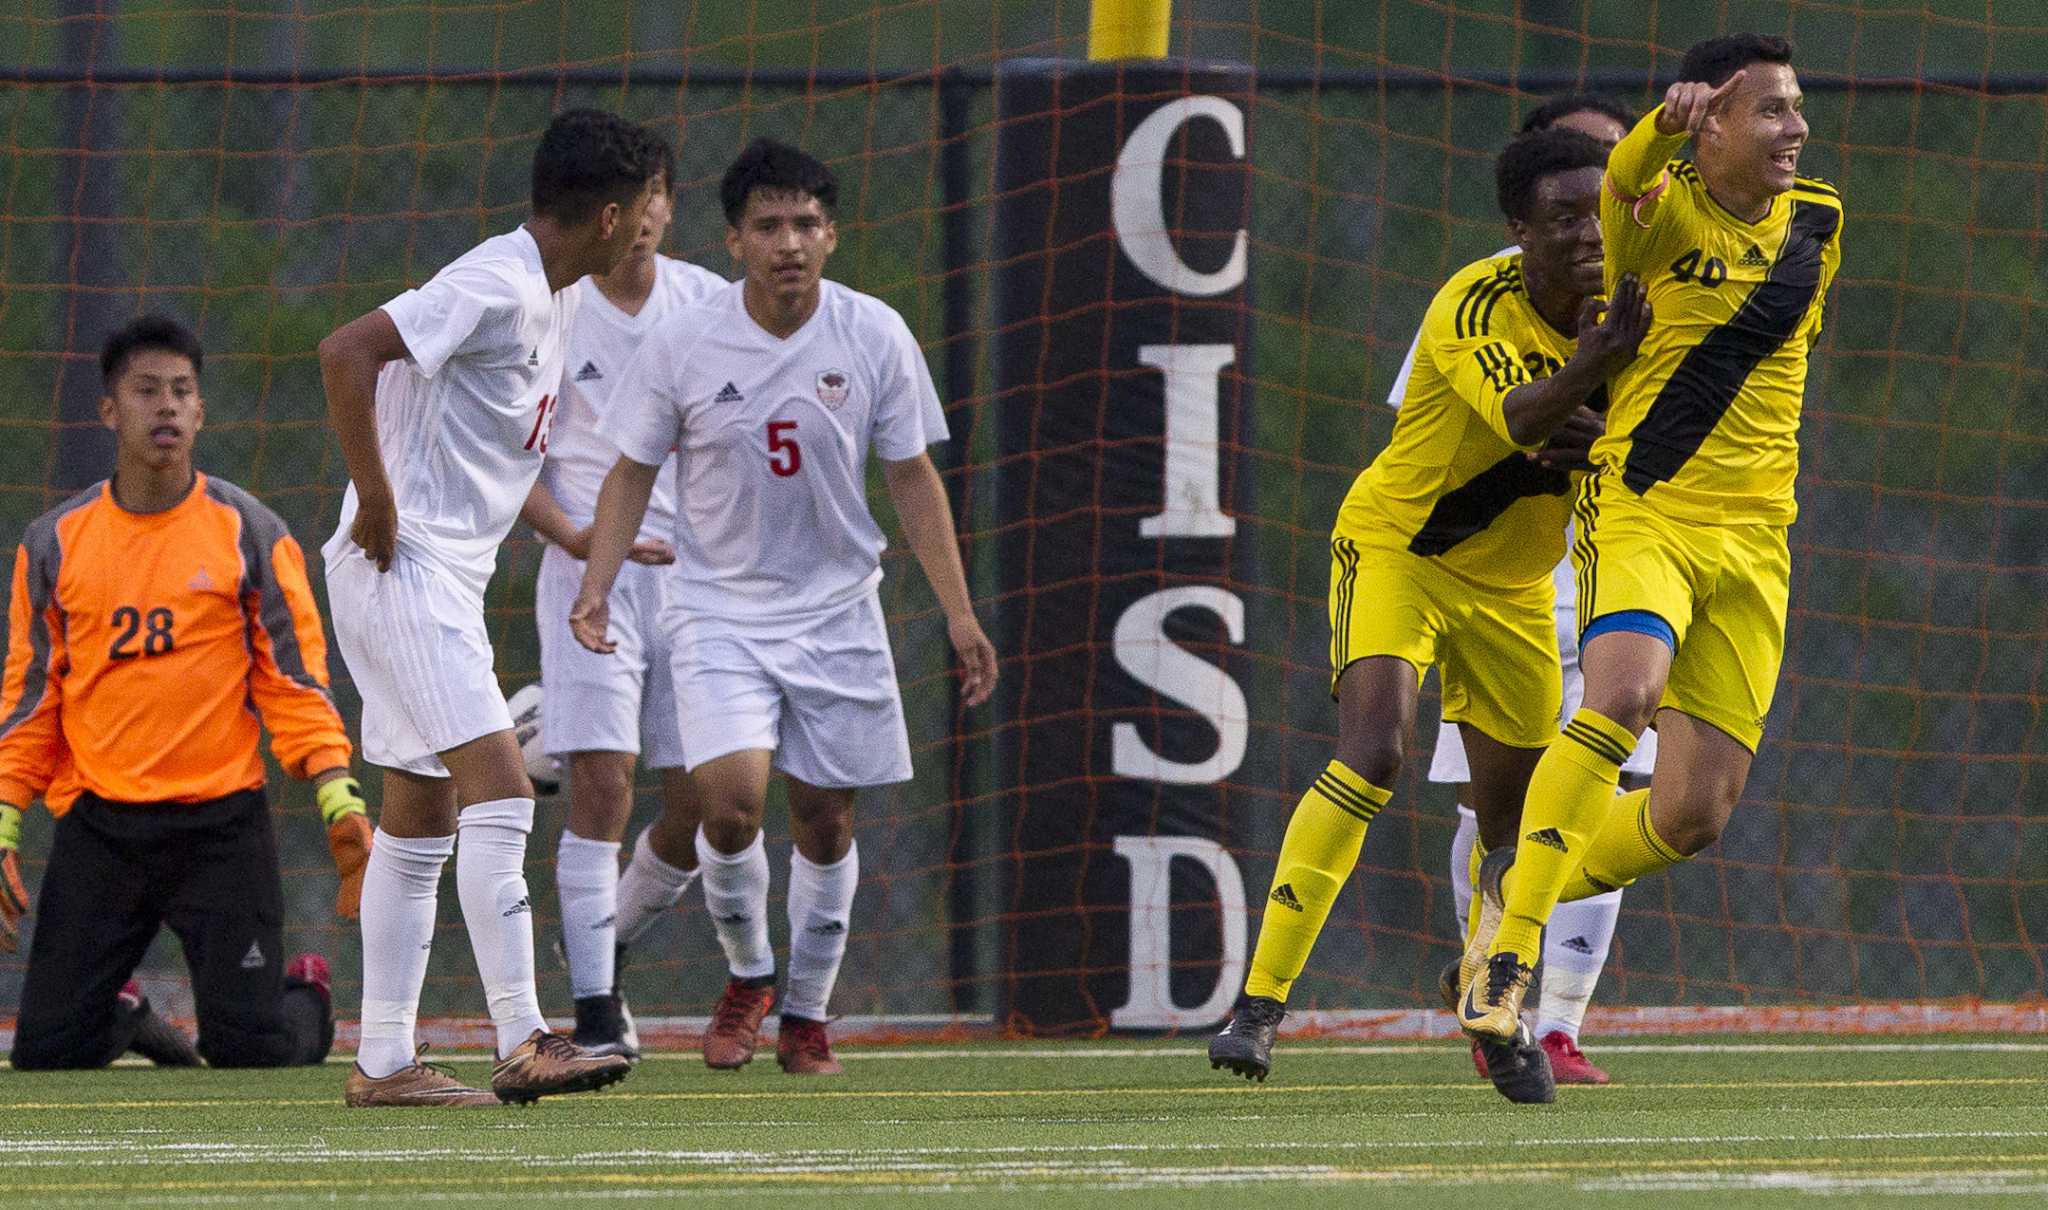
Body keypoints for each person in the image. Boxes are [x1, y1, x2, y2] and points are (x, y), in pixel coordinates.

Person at [1208, 128, 1649, 1102]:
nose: (1586, 234)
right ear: (1516, 232)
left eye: (1599, 213)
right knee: (1373, 751)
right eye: (1561, 217)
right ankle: (1257, 1003)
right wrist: (1600, 362)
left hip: (1517, 592)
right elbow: (1531, 418)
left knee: (1515, 825)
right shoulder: (1473, 301)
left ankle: (1493, 1014)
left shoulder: (1645, 308)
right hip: (1398, 551)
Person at [570, 137, 998, 1076]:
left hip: (840, 611)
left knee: (827, 823)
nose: (789, 242)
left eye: (806, 222)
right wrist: (597, 585)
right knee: (728, 807)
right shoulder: (684, 341)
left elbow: (914, 478)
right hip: (718, 607)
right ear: (733, 240)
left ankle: (806, 1017)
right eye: (768, 225)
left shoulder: (874, 332)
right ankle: (750, 974)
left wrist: (959, 614)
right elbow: (630, 469)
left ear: (832, 235)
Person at [1459, 36, 1843, 1083]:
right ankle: (1506, 960)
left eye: (1794, 107)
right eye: (1765, 110)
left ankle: (1511, 887)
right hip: (1646, 508)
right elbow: (1623, 178)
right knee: (1620, 697)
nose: (1792, 127)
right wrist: (1656, 131)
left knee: (1690, 813)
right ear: (1709, 124)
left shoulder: (1819, 221)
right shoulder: (1654, 209)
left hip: (1755, 537)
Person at [317, 107, 664, 1106]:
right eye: (641, 213)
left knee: (421, 817)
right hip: (403, 566)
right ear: (606, 215)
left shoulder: (550, 297)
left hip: (427, 577)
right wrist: (377, 496)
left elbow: (498, 462)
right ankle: (524, 1034)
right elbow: (347, 352)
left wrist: (577, 541)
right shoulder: (497, 283)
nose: (645, 230)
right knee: (504, 790)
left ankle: (384, 1062)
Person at [0, 315, 361, 1071]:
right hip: (100, 828)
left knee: (251, 1054)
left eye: (181, 391)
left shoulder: (250, 530)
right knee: (45, 1054)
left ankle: (308, 997)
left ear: (200, 412)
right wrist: (4, 819)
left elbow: (294, 683)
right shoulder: (52, 543)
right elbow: (31, 704)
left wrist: (341, 801)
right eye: (146, 390)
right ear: (108, 410)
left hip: (220, 827)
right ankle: (124, 1013)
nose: (165, 406)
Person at [1383, 94, 1653, 1087]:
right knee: (1494, 801)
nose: (1598, 206)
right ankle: (1498, 988)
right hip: (1508, 570)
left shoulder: (1665, 288)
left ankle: (1550, 1018)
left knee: (1616, 779)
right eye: (1577, 183)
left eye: (1616, 173)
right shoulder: (1481, 299)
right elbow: (1448, 440)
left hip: (1623, 555)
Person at [520, 133, 725, 1059]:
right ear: (607, 212)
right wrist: (577, 540)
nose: (641, 216)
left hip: (696, 584)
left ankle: (606, 940)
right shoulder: (550, 312)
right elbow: (504, 456)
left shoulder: (709, 308)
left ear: (670, 208)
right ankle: (596, 1012)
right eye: (628, 199)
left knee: (712, 805)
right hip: (587, 577)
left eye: (657, 198)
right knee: (604, 786)